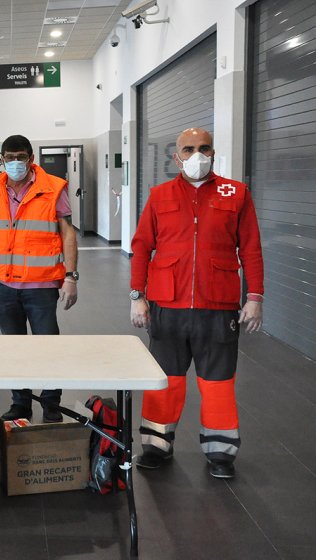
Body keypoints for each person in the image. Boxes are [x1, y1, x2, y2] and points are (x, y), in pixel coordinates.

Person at [130, 127, 264, 480]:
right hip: (167, 305)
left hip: (217, 307)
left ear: (214, 152)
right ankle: (156, 445)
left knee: (217, 383)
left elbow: (250, 248)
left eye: (204, 148)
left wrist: (254, 297)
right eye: (188, 149)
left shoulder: (235, 193)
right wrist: (137, 296)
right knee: (165, 381)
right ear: (177, 157)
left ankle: (221, 453)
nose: (197, 155)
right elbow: (142, 246)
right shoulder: (159, 196)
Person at [0, 134, 78, 423]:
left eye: (21, 157)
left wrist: (70, 276)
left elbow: (67, 231)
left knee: (47, 346)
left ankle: (51, 403)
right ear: (1, 158)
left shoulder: (53, 187)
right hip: (3, 285)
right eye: (9, 157)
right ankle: (21, 403)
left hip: (41, 286)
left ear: (31, 158)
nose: (15, 162)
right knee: (13, 348)